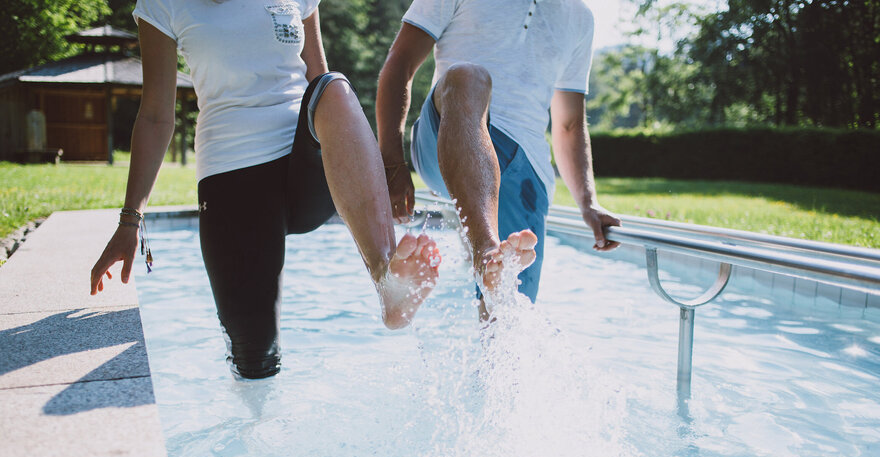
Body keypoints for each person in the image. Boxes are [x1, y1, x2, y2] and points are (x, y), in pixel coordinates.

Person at [90, 0, 441, 379]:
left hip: (304, 164)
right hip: (232, 179)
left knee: (334, 86)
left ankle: (387, 281)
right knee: (255, 364)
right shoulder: (163, 4)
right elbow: (156, 115)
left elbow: (318, 79)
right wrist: (130, 220)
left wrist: (370, 174)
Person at [377, 0, 619, 314]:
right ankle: (486, 249)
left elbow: (570, 124)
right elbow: (400, 64)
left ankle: (490, 277)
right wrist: (392, 161)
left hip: (524, 168)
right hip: (447, 134)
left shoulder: (580, 18)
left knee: (506, 320)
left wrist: (589, 202)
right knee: (467, 76)